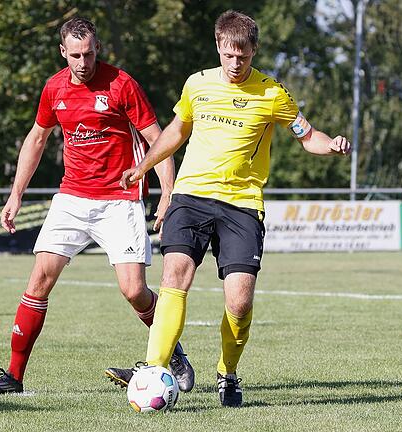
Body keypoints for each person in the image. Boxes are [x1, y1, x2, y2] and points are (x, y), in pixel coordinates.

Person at [104, 10, 350, 407]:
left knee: (239, 301)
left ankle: (227, 373)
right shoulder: (196, 84)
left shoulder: (272, 93)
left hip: (242, 205)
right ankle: (153, 367)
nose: (236, 64)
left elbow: (306, 135)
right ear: (218, 45)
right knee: (175, 276)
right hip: (191, 196)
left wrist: (330, 144)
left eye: (245, 57)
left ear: (254, 51)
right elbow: (177, 132)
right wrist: (143, 166)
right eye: (229, 55)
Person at [0, 17, 195, 394]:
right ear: (63, 52)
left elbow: (160, 141)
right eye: (75, 54)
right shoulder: (54, 88)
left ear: (97, 50)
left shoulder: (122, 84)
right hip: (72, 197)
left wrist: (168, 196)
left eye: (88, 53)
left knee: (133, 290)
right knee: (39, 280)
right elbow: (37, 139)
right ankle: (14, 376)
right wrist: (15, 194)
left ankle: (173, 353)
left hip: (120, 200)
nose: (82, 62)